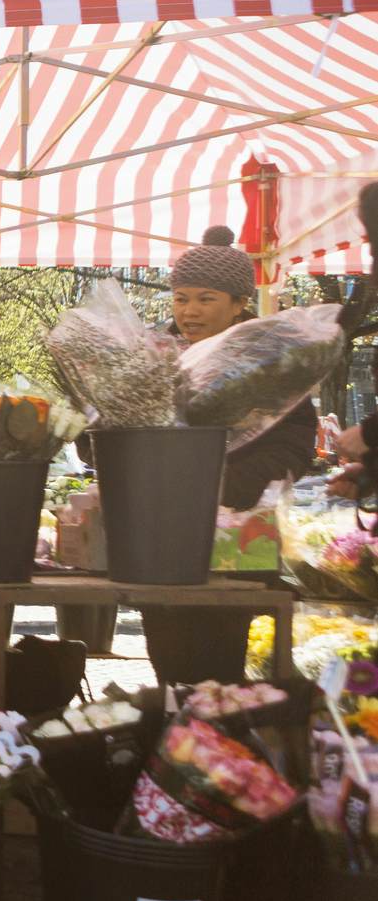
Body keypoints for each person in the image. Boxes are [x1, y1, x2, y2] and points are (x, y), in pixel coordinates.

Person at [139, 226, 318, 682]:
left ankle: (216, 745)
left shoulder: (273, 361)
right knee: (168, 660)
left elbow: (293, 448)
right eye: (180, 298)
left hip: (237, 541)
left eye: (205, 299)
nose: (189, 311)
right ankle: (176, 742)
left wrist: (220, 482)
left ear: (239, 303)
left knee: (219, 666)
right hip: (160, 540)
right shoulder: (154, 359)